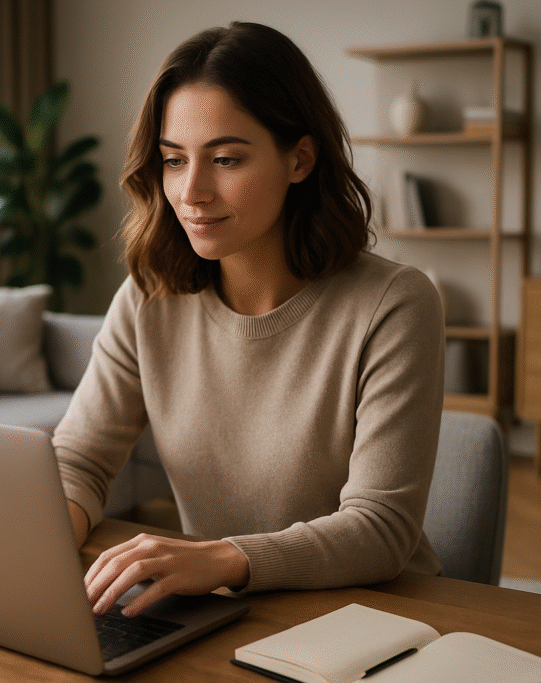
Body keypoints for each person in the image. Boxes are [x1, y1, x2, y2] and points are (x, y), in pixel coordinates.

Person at [52, 21, 444, 619]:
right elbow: (78, 460)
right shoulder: (148, 298)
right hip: (218, 610)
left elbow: (380, 528)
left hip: (368, 616)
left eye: (226, 159)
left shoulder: (395, 303)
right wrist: (37, 540)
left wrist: (225, 559)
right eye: (173, 161)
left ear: (301, 159)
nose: (192, 192)